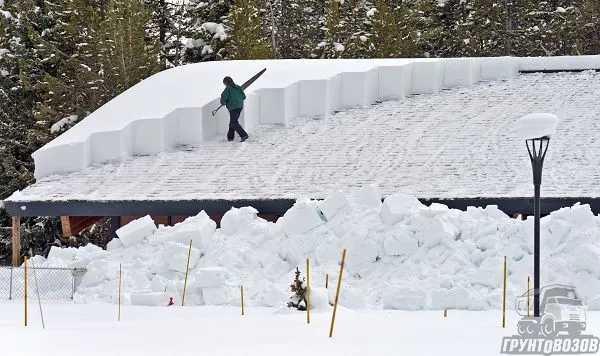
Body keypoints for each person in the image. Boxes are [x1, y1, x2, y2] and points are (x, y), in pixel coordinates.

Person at [220, 76, 249, 142]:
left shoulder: (228, 88)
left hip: (233, 108)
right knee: (232, 122)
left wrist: (223, 102)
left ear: (226, 83)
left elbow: (223, 96)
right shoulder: (238, 87)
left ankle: (244, 135)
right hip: (240, 107)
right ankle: (230, 137)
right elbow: (244, 97)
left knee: (234, 123)